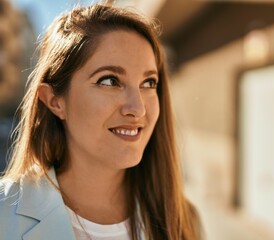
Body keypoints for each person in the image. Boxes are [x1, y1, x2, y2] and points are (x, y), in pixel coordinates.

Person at [0, 3, 201, 240]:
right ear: (54, 101)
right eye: (109, 81)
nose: (137, 109)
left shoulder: (183, 218)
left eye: (149, 83)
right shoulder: (5, 215)